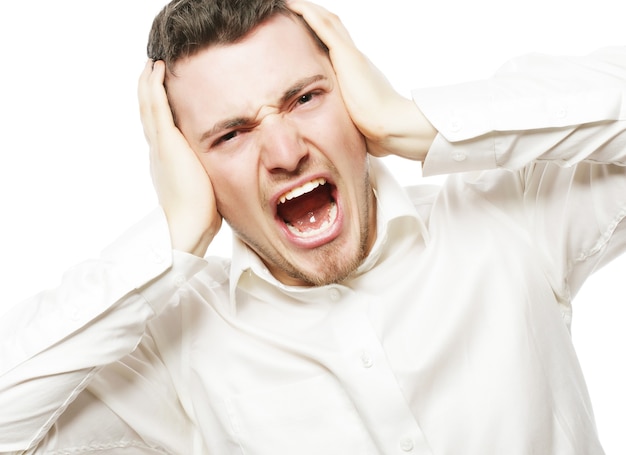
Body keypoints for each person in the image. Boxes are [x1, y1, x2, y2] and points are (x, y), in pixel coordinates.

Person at [1, 0, 625, 453]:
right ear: (187, 166)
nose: (284, 152)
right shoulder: (177, 350)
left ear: (352, 92)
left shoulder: (505, 220)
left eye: (305, 98)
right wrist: (173, 242)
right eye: (231, 133)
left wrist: (412, 123)